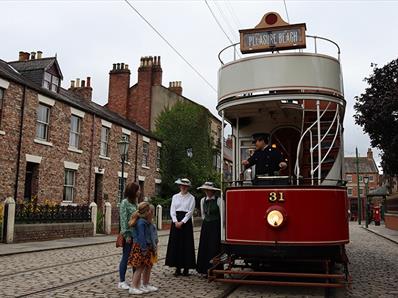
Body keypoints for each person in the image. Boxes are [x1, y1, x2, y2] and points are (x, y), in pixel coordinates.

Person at [165, 178, 196, 276]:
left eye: (185, 186)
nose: (183, 187)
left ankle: (186, 268)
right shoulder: (175, 197)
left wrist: (182, 222)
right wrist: (175, 221)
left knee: (186, 245)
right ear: (179, 186)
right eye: (182, 185)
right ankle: (177, 267)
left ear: (188, 187)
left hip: (186, 223)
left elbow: (190, 212)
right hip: (176, 221)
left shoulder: (191, 198)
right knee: (176, 244)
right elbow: (172, 210)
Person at [127, 202, 159, 295]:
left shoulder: (146, 222)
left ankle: (141, 285)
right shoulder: (141, 222)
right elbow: (141, 237)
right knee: (139, 268)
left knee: (145, 266)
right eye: (149, 210)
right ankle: (133, 287)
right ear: (147, 212)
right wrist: (144, 249)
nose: (151, 212)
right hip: (141, 248)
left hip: (146, 247)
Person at [196, 181, 221, 277]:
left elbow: (222, 216)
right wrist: (206, 221)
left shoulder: (219, 200)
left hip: (216, 226)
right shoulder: (203, 200)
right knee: (205, 247)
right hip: (206, 225)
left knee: (213, 247)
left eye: (209, 190)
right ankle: (204, 269)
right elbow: (203, 214)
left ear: (213, 191)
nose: (207, 192)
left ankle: (214, 270)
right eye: (206, 190)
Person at [118, 182, 139, 290]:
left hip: (136, 234)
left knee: (135, 258)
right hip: (128, 236)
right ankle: (121, 281)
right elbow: (123, 220)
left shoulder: (135, 203)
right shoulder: (124, 203)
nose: (139, 192)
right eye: (137, 190)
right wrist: (126, 235)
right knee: (126, 258)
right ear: (133, 191)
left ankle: (135, 281)